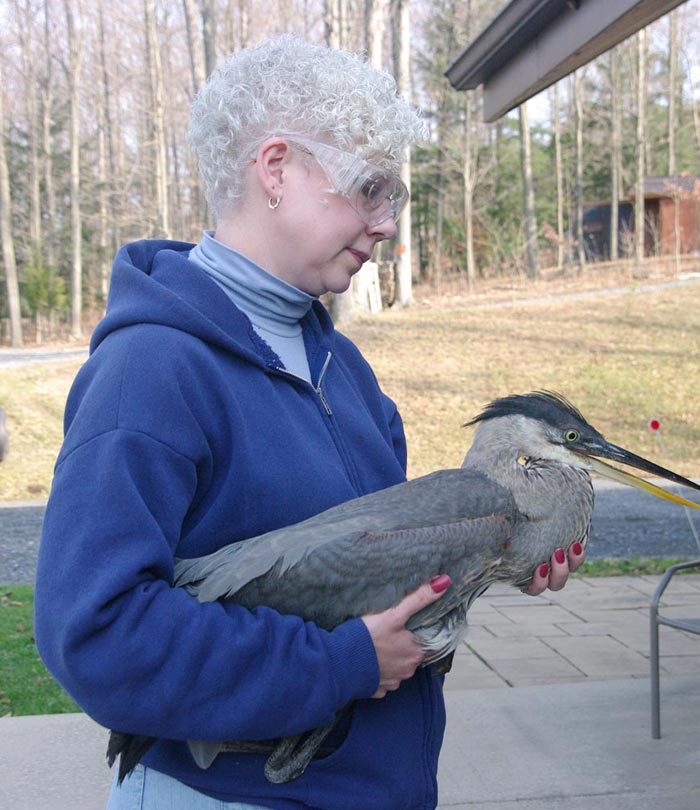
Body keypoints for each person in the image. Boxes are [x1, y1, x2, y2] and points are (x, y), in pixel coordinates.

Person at [34, 35, 586, 810]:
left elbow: (375, 581)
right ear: (275, 169)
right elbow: (97, 636)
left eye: (393, 196)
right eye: (369, 189)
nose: (389, 222)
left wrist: (496, 556)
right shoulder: (151, 373)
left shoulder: (345, 372)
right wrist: (341, 665)